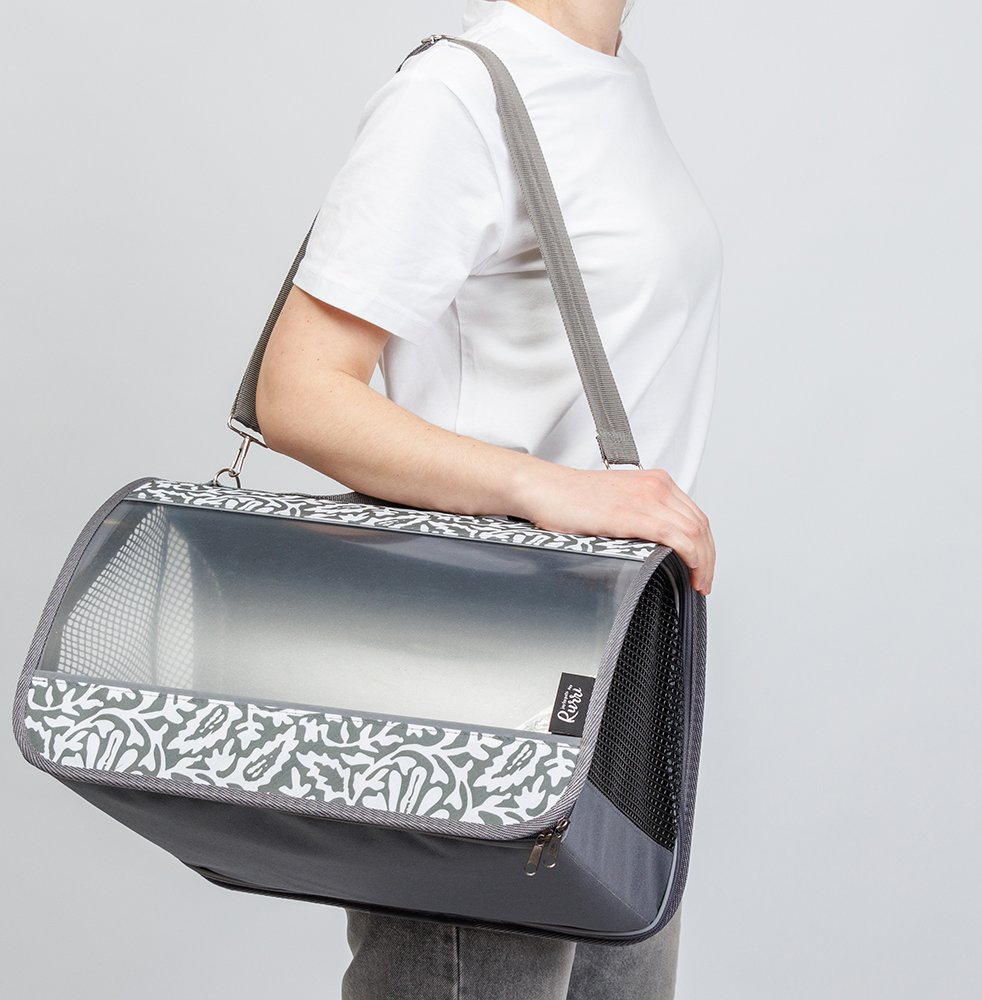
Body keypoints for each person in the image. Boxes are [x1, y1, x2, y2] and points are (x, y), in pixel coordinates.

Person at [255, 1, 721, 996]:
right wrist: (543, 487)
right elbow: (296, 391)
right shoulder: (459, 93)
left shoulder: (611, 78)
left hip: (622, 672)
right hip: (485, 675)